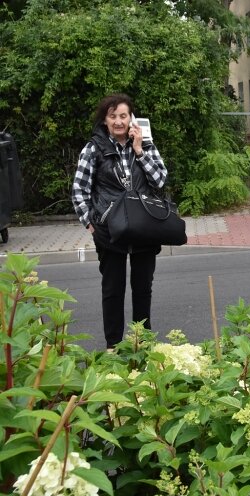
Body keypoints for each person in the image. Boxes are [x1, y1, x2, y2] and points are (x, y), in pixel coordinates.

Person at [72, 93, 168, 350]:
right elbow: (79, 190)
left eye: (123, 116)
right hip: (109, 230)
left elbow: (159, 180)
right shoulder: (93, 149)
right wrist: (90, 224)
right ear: (105, 120)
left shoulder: (145, 145)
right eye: (112, 116)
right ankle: (113, 346)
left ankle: (141, 343)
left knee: (142, 289)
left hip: (144, 229)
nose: (118, 121)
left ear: (131, 118)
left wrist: (139, 151)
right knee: (113, 290)